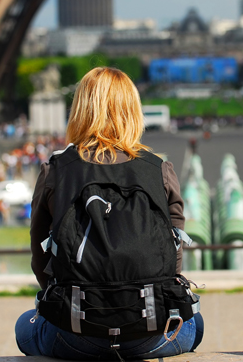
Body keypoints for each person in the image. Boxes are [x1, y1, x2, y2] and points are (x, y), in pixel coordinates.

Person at [15, 67, 204, 360]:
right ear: (133, 111)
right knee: (196, 323)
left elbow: (40, 260)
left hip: (75, 333)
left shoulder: (55, 171)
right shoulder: (160, 170)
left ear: (80, 110)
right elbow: (173, 260)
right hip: (151, 332)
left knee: (23, 325)